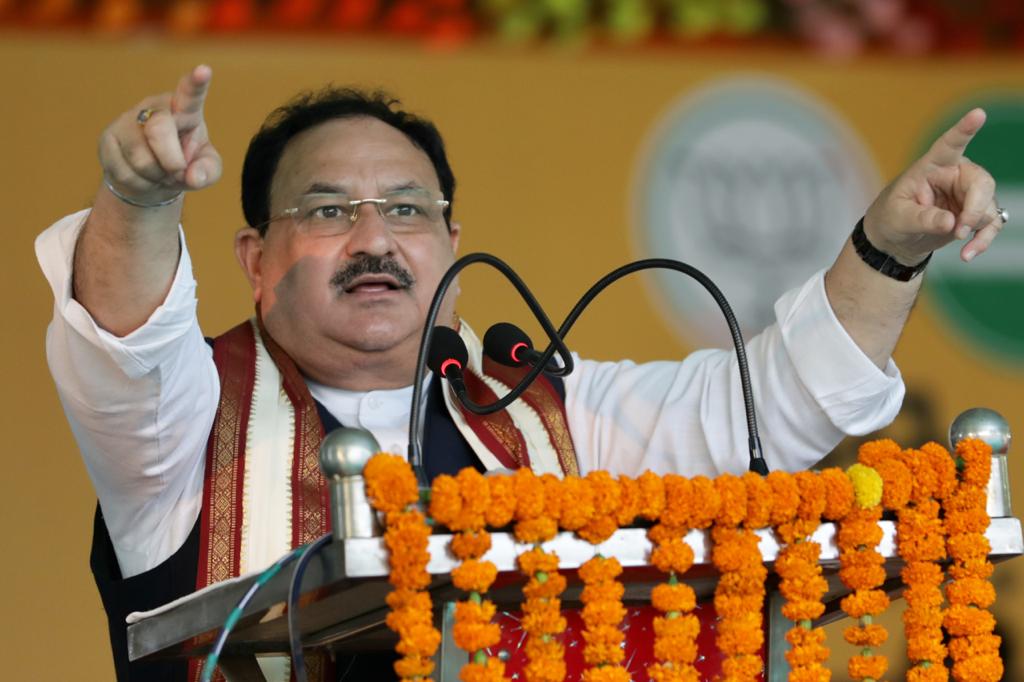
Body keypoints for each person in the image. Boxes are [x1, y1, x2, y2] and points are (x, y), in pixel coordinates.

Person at [36, 65, 1006, 682]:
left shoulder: (544, 409)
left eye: (408, 211)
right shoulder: (184, 429)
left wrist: (884, 247)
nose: (375, 238)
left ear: (454, 243)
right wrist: (137, 199)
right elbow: (127, 350)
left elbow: (770, 406)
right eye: (328, 211)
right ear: (254, 258)